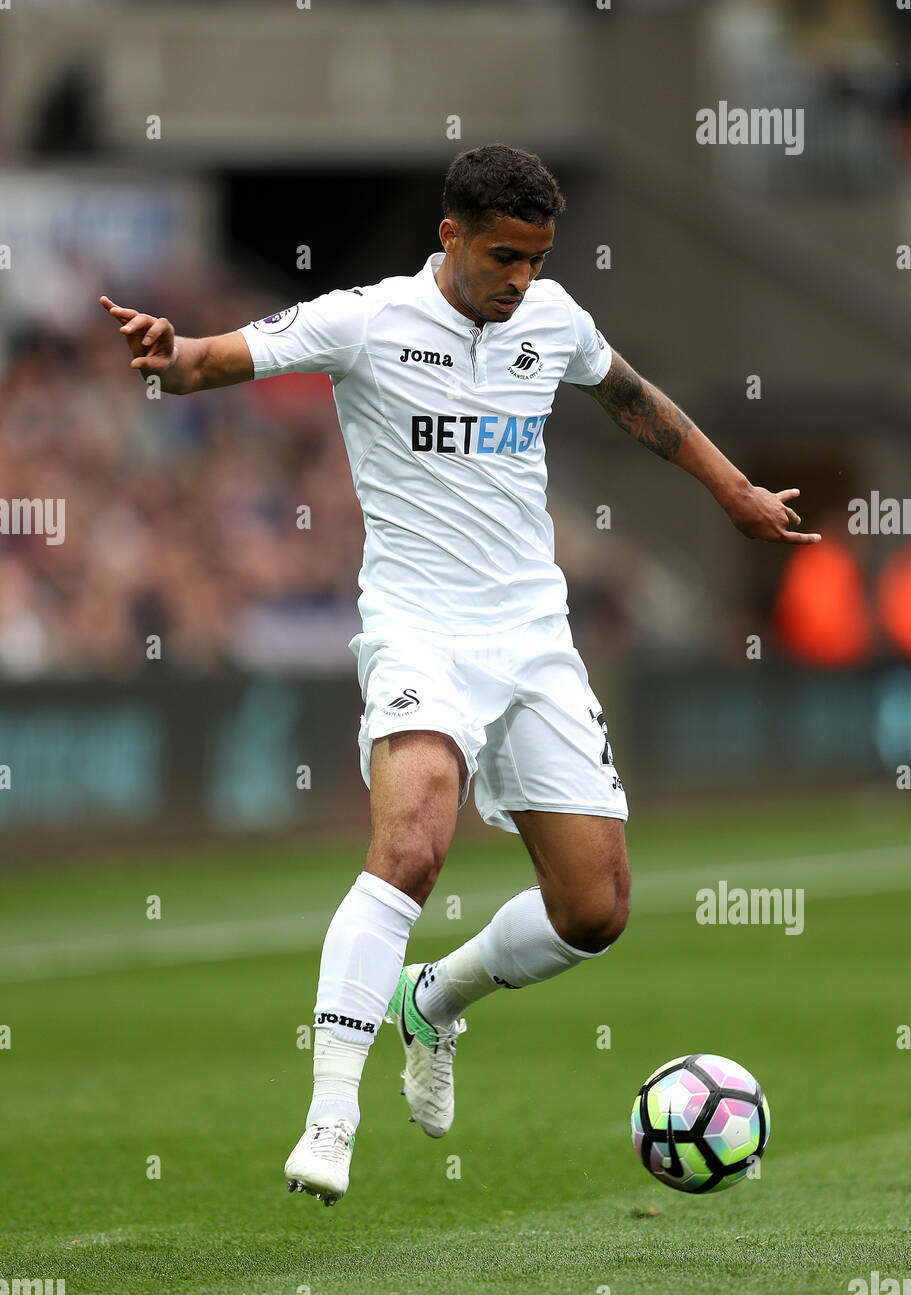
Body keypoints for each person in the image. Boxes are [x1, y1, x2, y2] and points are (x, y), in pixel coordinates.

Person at [101, 144, 820, 1206]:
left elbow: (632, 399)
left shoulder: (554, 319)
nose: (518, 278)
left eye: (534, 258)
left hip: (532, 637)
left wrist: (733, 492)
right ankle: (329, 1116)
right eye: (501, 256)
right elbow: (215, 358)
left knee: (594, 908)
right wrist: (168, 351)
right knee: (411, 842)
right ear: (448, 236)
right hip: (419, 632)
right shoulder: (368, 320)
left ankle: (433, 999)